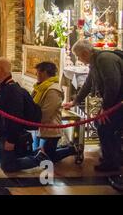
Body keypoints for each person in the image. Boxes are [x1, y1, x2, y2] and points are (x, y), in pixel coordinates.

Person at [64, 39, 123, 172]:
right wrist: (75, 101)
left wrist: (105, 109)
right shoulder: (95, 61)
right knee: (100, 124)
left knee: (105, 127)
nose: (79, 59)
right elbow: (88, 83)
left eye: (79, 56)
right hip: (115, 102)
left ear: (85, 53)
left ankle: (112, 162)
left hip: (118, 102)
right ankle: (114, 155)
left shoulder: (104, 59)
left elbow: (113, 85)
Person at [0, 57, 46, 172]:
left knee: (8, 166)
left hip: (8, 133)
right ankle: (35, 153)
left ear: (2, 70)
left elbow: (15, 117)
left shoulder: (12, 90)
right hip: (1, 132)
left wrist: (11, 140)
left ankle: (40, 158)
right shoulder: (1, 87)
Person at [23, 62, 78, 166]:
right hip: (41, 128)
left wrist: (31, 121)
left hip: (50, 129)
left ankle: (72, 149)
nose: (36, 75)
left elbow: (47, 112)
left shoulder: (53, 90)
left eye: (38, 72)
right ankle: (67, 148)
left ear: (44, 73)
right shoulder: (40, 88)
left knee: (47, 158)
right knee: (41, 154)